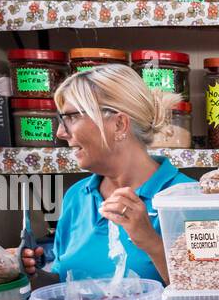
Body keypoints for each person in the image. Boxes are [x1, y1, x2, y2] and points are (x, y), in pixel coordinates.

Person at [17, 63, 192, 287]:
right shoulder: (77, 197)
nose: (60, 133)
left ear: (119, 124)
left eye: (70, 117)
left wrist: (150, 241)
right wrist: (31, 276)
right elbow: (64, 285)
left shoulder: (188, 200)